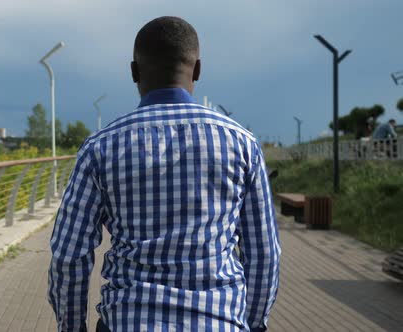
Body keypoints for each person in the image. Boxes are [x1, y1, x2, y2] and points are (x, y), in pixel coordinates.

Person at [48, 16, 281, 332]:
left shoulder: (100, 147)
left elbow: (68, 256)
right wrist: (252, 323)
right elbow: (264, 254)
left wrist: (72, 327)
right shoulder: (241, 143)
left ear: (134, 72)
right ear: (197, 69)